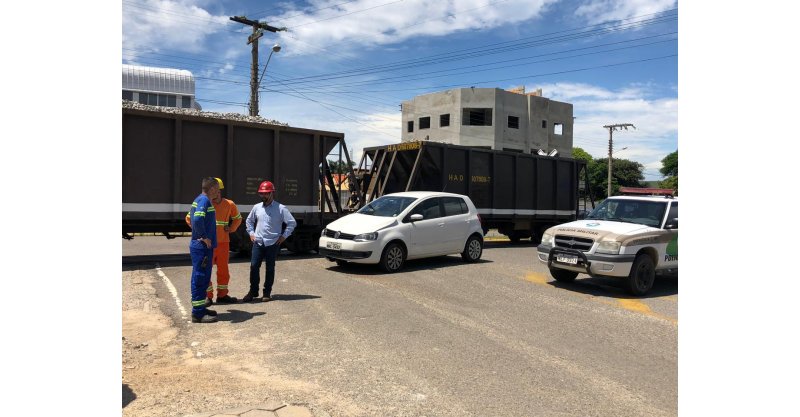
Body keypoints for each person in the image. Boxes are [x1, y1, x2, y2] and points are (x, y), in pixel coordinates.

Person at [185, 177, 242, 305]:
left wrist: (231, 228)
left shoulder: (229, 204)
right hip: (208, 244)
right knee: (206, 270)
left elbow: (238, 218)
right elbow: (190, 219)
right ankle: (208, 296)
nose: (217, 194)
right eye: (216, 191)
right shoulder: (206, 203)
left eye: (218, 191)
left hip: (223, 243)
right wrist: (200, 233)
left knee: (223, 270)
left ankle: (222, 295)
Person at [243, 180, 296, 303]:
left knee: (270, 268)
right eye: (261, 194)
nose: (263, 196)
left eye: (266, 193)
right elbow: (249, 221)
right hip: (258, 242)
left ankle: (267, 293)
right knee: (254, 266)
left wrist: (284, 236)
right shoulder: (256, 207)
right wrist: (251, 233)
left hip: (273, 243)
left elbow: (292, 223)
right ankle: (253, 291)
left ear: (272, 193)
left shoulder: (281, 208)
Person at [188, 177, 220, 323]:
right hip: (202, 247)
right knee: (200, 279)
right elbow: (197, 220)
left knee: (202, 278)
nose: (218, 192)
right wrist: (204, 236)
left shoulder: (200, 199)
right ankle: (198, 314)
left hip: (202, 247)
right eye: (217, 189)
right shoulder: (204, 200)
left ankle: (200, 308)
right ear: (212, 188)